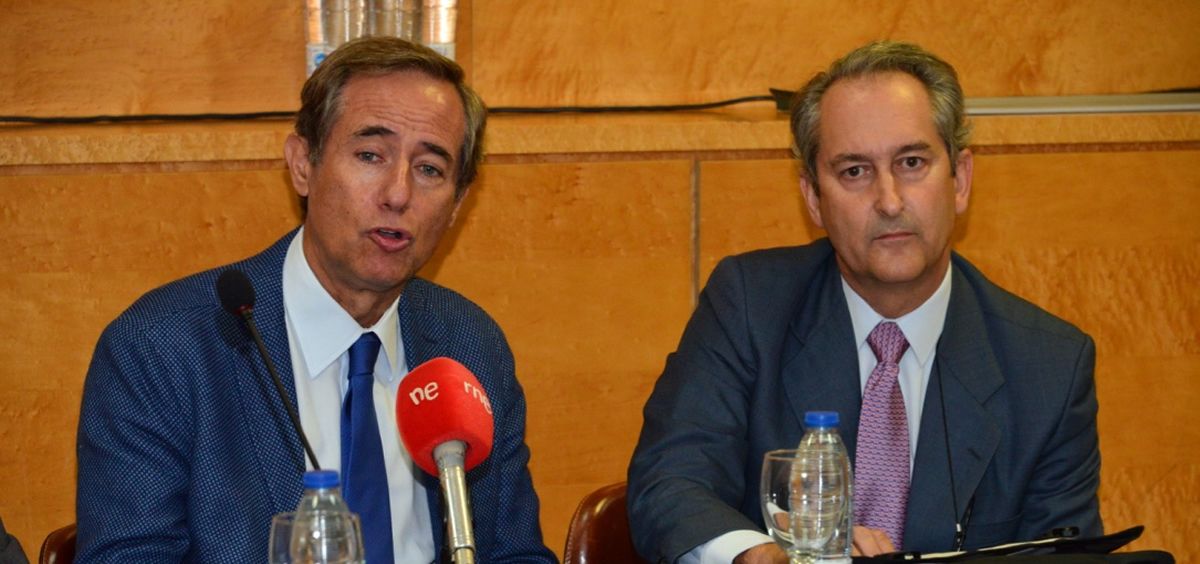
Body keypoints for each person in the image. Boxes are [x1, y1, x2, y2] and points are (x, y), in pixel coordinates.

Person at [76, 37, 556, 563]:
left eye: (429, 169)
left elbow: (514, 554)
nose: (398, 194)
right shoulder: (162, 348)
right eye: (370, 155)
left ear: (458, 203)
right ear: (303, 164)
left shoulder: (469, 345)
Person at [627, 40, 1101, 564]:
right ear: (814, 198)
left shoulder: (1049, 367)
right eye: (855, 171)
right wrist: (760, 556)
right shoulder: (749, 307)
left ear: (960, 180)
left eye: (912, 162)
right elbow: (670, 482)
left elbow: (1066, 552)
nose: (890, 201)